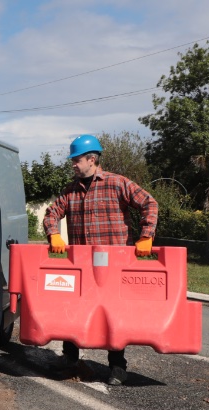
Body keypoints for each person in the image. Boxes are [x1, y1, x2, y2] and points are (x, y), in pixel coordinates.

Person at [43, 134, 158, 386]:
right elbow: (52, 213)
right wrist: (53, 233)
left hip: (113, 266)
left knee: (113, 315)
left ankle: (117, 367)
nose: (73, 164)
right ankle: (70, 359)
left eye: (76, 160)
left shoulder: (118, 184)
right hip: (81, 267)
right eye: (72, 160)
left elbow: (150, 203)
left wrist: (146, 236)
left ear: (91, 159)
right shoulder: (70, 190)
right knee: (74, 311)